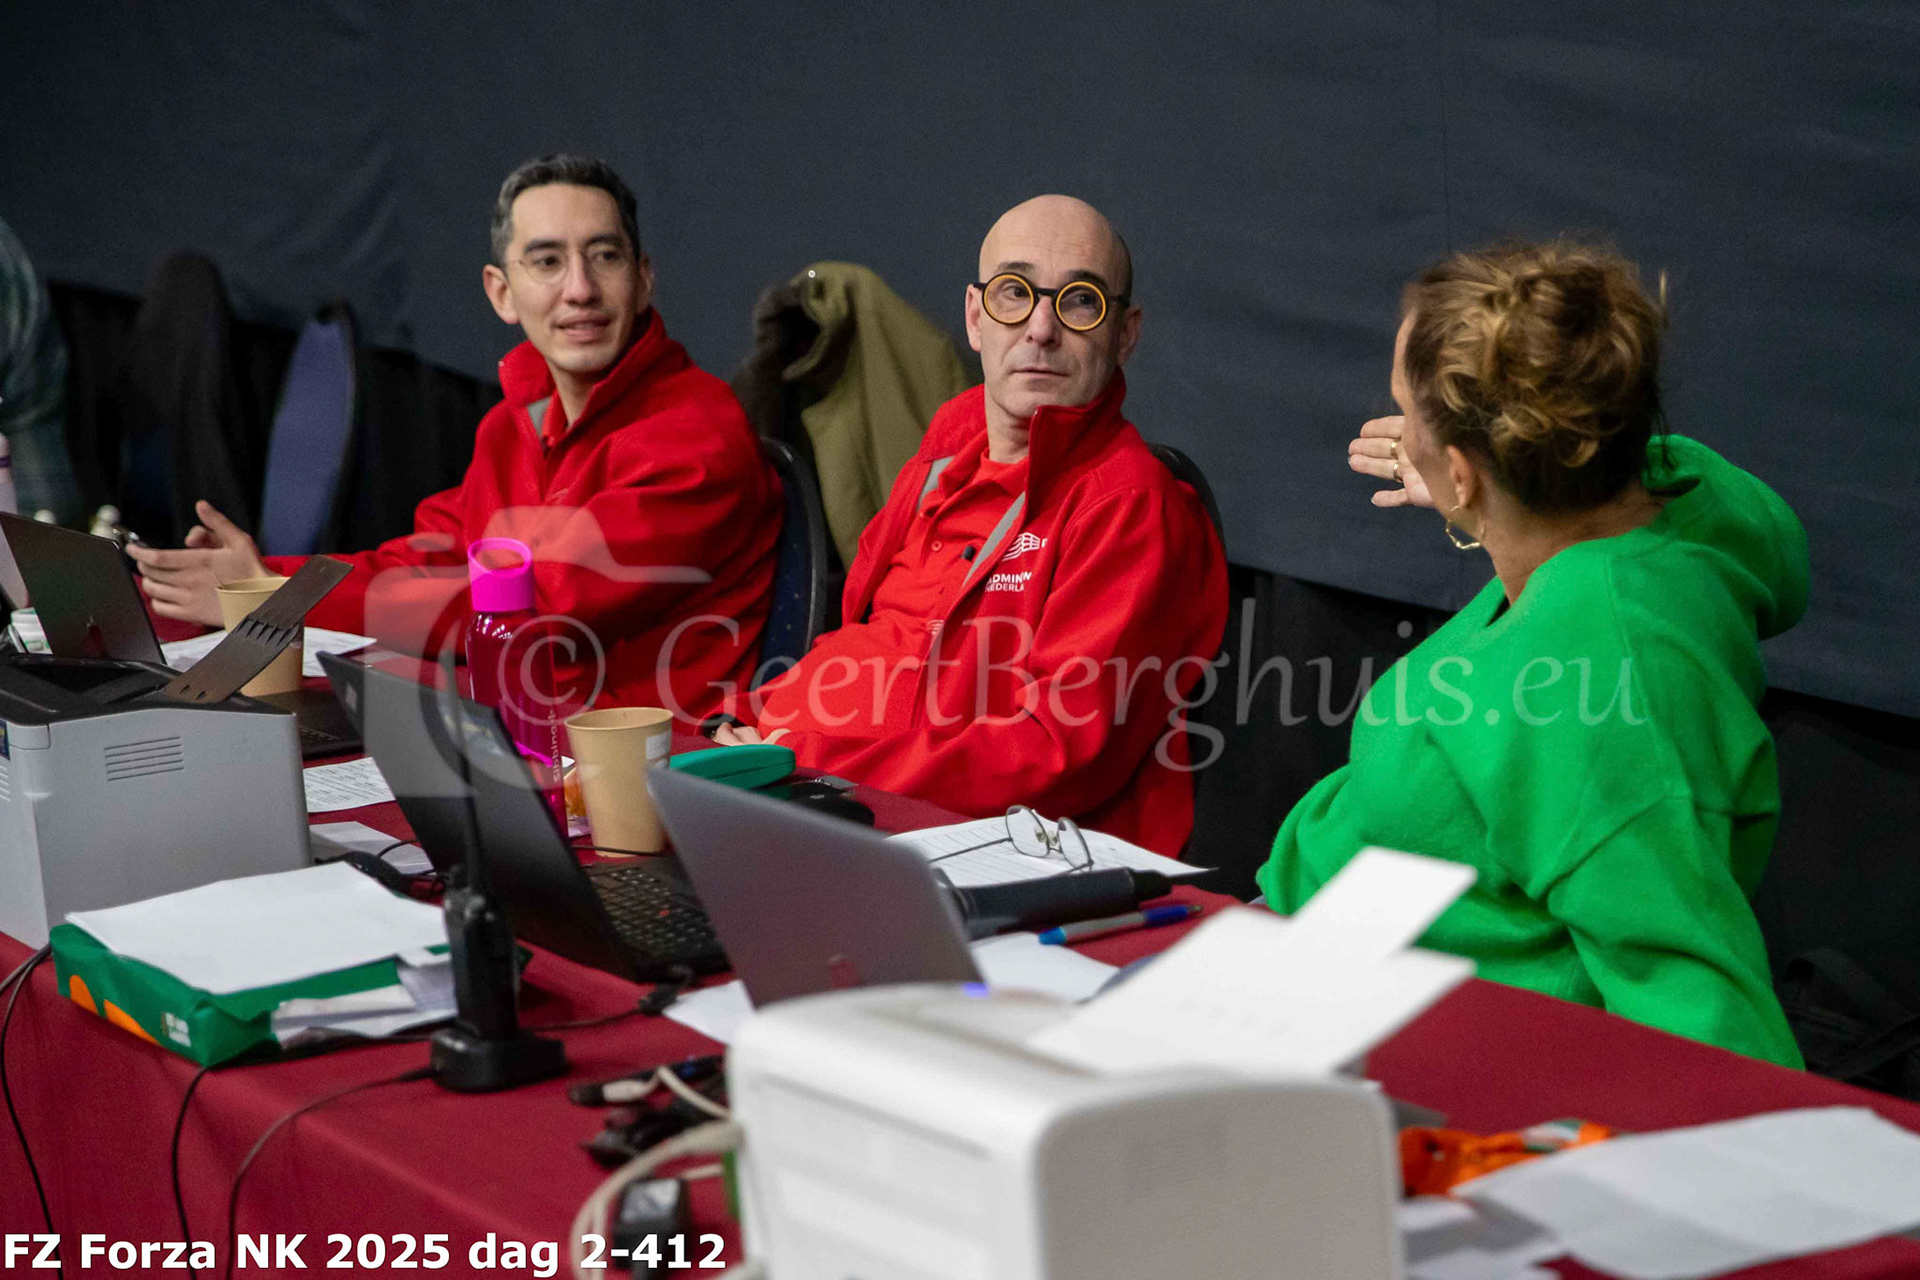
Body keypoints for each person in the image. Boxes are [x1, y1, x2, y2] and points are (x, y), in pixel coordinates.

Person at [1258, 240, 1805, 1066]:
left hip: (1397, 1040)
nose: (1400, 430)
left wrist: (1480, 487)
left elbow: (1700, 1001)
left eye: (1407, 410)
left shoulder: (1594, 679)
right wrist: (1491, 493)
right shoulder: (1687, 510)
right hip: (1310, 959)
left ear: (1461, 467)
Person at [128, 154, 781, 723]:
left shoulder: (696, 434)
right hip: (513, 731)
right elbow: (432, 557)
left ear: (643, 279)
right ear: (502, 292)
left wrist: (280, 600)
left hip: (644, 766)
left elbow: (524, 611)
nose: (580, 289)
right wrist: (270, 581)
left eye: (604, 256)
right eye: (547, 261)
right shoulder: (513, 424)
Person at [717, 195, 1228, 857]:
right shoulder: (942, 460)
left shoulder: (1130, 505)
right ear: (975, 317)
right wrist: (749, 721)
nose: (1041, 329)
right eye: (1014, 292)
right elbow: (866, 647)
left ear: (1125, 334)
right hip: (827, 801)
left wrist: (810, 762)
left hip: (1001, 852)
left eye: (1080, 302)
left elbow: (1056, 752)